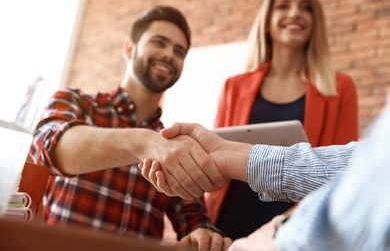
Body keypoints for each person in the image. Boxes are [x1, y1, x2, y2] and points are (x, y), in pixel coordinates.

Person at [29, 5, 231, 251]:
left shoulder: (172, 145)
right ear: (129, 48)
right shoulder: (74, 102)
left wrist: (204, 235)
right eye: (159, 42)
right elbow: (51, 149)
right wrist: (146, 143)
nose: (169, 54)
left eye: (179, 51)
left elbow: (195, 220)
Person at [140, 93, 390, 250]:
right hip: (243, 224)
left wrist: (278, 236)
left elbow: (359, 182)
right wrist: (224, 157)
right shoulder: (236, 86)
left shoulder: (337, 87)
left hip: (290, 225)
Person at [206, 0, 358, 239]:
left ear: (315, 21)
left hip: (291, 231)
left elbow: (343, 175)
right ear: (267, 20)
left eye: (305, 7)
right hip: (228, 224)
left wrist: (281, 227)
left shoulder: (340, 88)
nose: (295, 13)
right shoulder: (234, 86)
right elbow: (215, 156)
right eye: (283, 5)